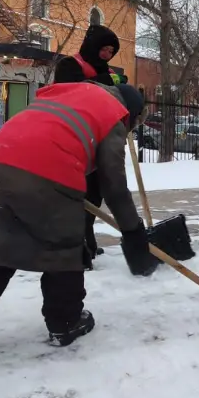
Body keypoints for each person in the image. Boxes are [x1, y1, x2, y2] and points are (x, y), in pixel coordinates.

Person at [0, 82, 161, 356]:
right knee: (63, 250)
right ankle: (65, 323)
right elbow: (113, 185)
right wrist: (133, 231)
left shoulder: (70, 96)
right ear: (131, 113)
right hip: (48, 171)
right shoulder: (112, 112)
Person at [53, 24, 129, 270]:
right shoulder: (69, 65)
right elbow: (70, 93)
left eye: (110, 51)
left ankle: (89, 240)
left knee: (94, 194)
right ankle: (78, 247)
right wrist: (102, 82)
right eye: (103, 49)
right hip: (72, 137)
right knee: (76, 196)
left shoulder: (106, 71)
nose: (107, 54)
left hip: (99, 138)